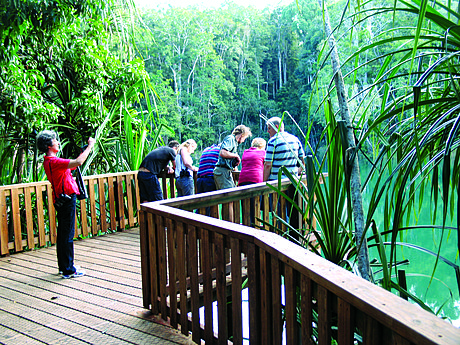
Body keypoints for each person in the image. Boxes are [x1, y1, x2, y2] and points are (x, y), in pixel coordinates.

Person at [37, 130, 95, 279]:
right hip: (67, 199)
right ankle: (69, 270)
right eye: (55, 141)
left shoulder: (51, 162)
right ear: (49, 146)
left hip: (62, 199)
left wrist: (83, 150)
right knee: (67, 234)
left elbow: (72, 166)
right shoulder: (54, 162)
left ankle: (65, 267)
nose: (57, 142)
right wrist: (90, 147)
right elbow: (78, 162)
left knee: (63, 234)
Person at [263, 117, 305, 182]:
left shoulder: (273, 141)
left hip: (276, 183)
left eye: (269, 128)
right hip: (292, 181)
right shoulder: (295, 139)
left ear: (276, 127)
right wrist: (296, 172)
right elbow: (303, 162)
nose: (268, 131)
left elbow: (268, 165)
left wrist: (264, 183)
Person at [214, 125, 252, 190]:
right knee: (229, 196)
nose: (243, 141)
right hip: (222, 171)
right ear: (241, 135)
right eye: (244, 138)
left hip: (226, 172)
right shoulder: (230, 138)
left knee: (233, 191)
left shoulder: (234, 142)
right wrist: (236, 156)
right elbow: (223, 152)